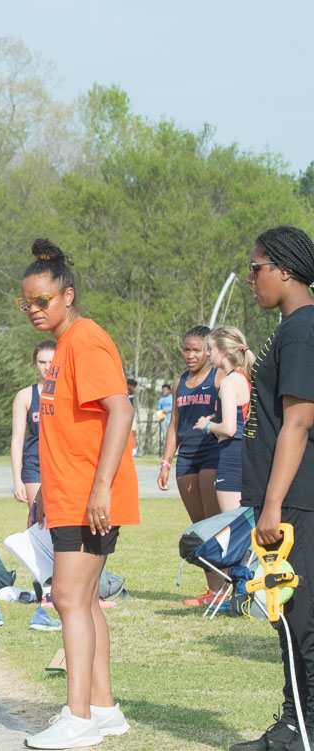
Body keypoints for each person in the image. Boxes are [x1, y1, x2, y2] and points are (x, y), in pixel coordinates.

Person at [19, 238, 137, 748]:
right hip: (67, 493)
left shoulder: (85, 339)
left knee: (67, 598)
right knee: (83, 601)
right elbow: (64, 427)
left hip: (91, 495)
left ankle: (79, 718)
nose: (33, 310)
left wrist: (102, 488)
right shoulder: (63, 347)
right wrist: (48, 489)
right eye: (25, 302)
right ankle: (104, 709)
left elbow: (123, 411)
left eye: (42, 301)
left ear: (67, 295)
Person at [233, 225, 314, 751]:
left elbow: (299, 421)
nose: (251, 277)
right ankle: (293, 724)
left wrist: (274, 505)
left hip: (298, 502)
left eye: (256, 267)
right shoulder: (291, 328)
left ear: (284, 269)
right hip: (285, 500)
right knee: (286, 616)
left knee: (302, 621)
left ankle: (304, 731)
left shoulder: (303, 329)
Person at [158, 325, 224, 604]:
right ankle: (214, 590)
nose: (191, 354)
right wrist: (165, 462)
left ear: (209, 351)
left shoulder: (219, 377)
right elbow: (174, 425)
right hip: (186, 459)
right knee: (199, 528)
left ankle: (229, 588)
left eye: (197, 349)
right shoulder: (178, 382)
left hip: (212, 454)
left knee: (215, 524)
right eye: (187, 349)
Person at [194, 326, 253, 514]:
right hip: (246, 453)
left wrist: (207, 425)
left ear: (223, 352)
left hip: (232, 455)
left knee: (232, 523)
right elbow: (240, 415)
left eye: (210, 349)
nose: (208, 354)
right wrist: (217, 417)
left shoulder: (228, 382)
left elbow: (229, 429)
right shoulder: (244, 377)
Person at [11, 341, 57, 525]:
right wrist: (17, 480)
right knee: (39, 517)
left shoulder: (69, 392)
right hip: (35, 466)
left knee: (61, 520)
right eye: (42, 362)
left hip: (62, 465)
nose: (47, 367)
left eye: (52, 362)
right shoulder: (25, 396)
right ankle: (35, 553)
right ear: (35, 363)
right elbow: (17, 441)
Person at [156, 384, 173, 450]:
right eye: (163, 390)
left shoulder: (172, 397)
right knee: (165, 436)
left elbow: (175, 408)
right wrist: (160, 415)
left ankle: (175, 451)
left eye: (165, 390)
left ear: (169, 390)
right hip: (163, 419)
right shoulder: (161, 399)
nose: (164, 391)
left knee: (171, 435)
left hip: (171, 419)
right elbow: (159, 409)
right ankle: (166, 450)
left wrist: (168, 411)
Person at [126, 378, 139, 457]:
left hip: (132, 414)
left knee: (133, 433)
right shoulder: (124, 392)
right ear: (130, 385)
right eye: (133, 387)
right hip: (125, 415)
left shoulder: (131, 393)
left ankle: (134, 452)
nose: (134, 389)